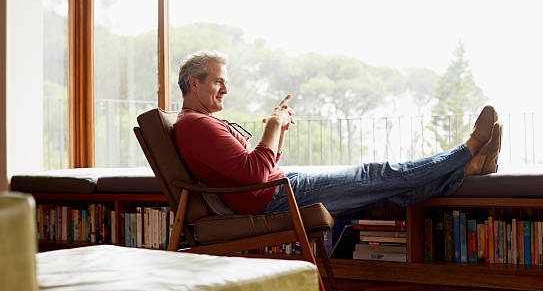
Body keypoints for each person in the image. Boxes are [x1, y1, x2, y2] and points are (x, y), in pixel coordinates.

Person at [173, 50, 502, 216]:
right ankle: (469, 148)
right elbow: (255, 172)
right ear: (194, 83)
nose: (226, 90)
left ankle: (470, 168)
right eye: (218, 82)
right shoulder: (195, 125)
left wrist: (281, 128)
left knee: (383, 191)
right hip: (273, 197)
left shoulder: (200, 123)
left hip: (277, 188)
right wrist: (273, 124)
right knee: (375, 174)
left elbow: (261, 165)